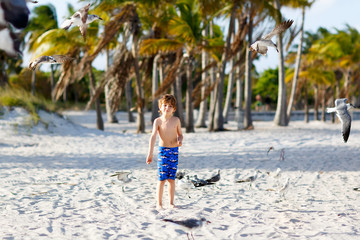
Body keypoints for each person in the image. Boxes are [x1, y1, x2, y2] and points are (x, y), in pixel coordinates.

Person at [146, 94, 183, 209]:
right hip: (163, 152)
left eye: (170, 106)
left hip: (174, 151)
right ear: (160, 107)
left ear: (174, 109)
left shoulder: (176, 120)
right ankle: (159, 203)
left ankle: (171, 203)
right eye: (165, 105)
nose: (167, 108)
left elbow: (180, 134)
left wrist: (180, 140)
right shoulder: (158, 121)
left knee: (171, 179)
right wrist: (150, 153)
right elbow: (153, 137)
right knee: (161, 179)